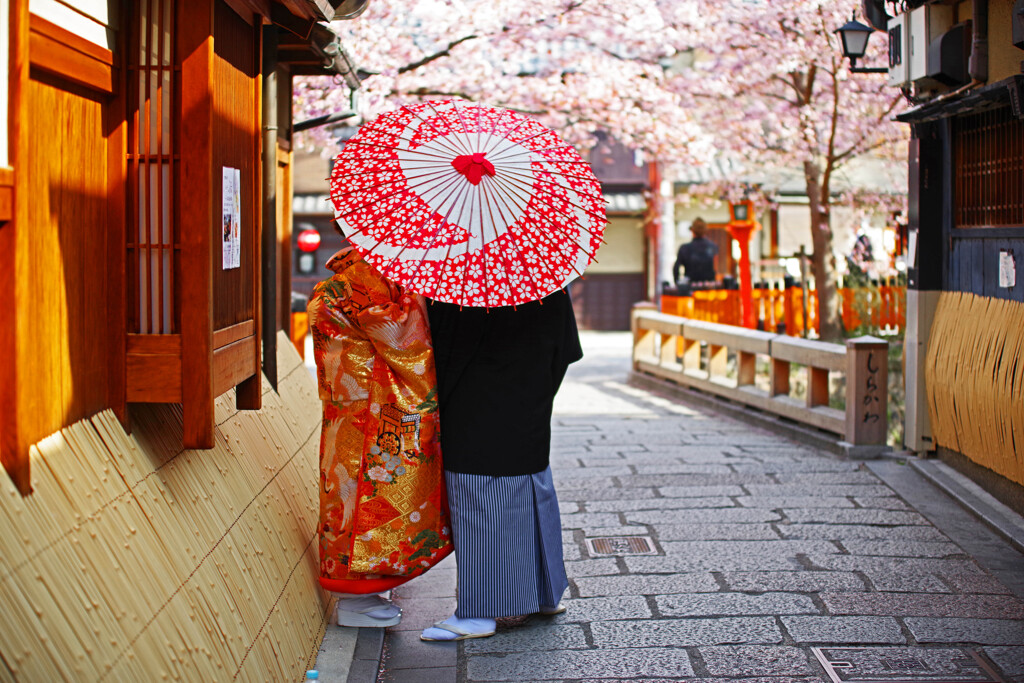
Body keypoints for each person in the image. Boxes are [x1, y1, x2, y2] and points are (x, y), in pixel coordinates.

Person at [419, 288, 583, 641]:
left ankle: (480, 612)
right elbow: (568, 347)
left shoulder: (462, 279)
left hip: (475, 403)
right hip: (530, 397)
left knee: (480, 498)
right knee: (532, 487)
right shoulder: (543, 276)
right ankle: (543, 594)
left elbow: (440, 352)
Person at [308, 241, 453, 628]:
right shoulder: (366, 281)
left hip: (349, 405)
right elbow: (405, 339)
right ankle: (359, 597)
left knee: (346, 496)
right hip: (373, 407)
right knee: (366, 498)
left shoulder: (340, 280)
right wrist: (420, 295)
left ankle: (365, 587)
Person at [673, 217, 718, 286]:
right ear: (705, 231)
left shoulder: (685, 248)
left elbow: (676, 268)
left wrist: (678, 284)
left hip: (690, 288)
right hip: (709, 288)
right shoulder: (713, 247)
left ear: (692, 231)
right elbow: (716, 268)